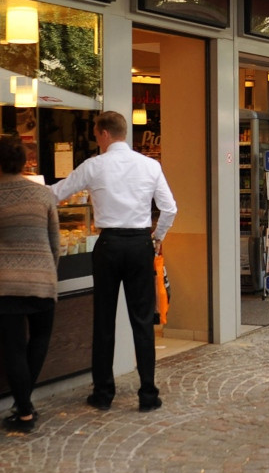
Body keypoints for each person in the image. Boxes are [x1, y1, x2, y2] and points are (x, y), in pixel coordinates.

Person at [49, 111, 177, 413]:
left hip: (108, 245)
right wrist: (157, 236)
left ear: (104, 133)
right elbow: (169, 208)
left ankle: (103, 392)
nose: (95, 138)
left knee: (104, 320)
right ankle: (148, 393)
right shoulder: (149, 165)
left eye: (96, 133)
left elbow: (56, 194)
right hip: (139, 244)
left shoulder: (94, 166)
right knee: (143, 321)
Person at [0, 136, 60, 433]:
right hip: (41, 278)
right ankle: (24, 405)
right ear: (24, 163)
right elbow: (55, 243)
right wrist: (47, 272)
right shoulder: (45, 195)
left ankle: (24, 411)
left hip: (2, 282)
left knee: (13, 348)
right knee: (39, 339)